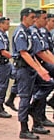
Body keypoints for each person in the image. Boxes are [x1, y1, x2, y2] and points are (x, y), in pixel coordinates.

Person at [12, 8, 51, 139]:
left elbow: (33, 54)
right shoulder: (20, 32)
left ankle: (33, 109)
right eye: (32, 17)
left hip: (31, 68)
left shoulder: (28, 31)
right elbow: (24, 53)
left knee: (48, 84)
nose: (34, 19)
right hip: (23, 69)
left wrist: (40, 68)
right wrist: (39, 68)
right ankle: (24, 129)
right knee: (25, 97)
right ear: (24, 18)